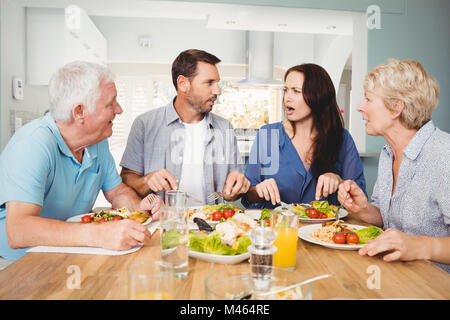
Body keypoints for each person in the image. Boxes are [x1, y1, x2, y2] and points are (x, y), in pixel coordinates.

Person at [0, 61, 162, 262]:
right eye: (111, 103)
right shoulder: (33, 144)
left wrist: (139, 209)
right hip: (18, 263)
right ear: (79, 112)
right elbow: (18, 231)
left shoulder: (97, 142)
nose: (119, 110)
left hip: (68, 253)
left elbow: (117, 192)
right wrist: (98, 234)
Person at [338, 59, 450, 272]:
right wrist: (364, 210)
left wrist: (420, 246)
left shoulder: (444, 154)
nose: (360, 107)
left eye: (368, 99)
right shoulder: (388, 152)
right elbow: (388, 219)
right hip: (397, 277)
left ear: (396, 107)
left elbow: (411, 241)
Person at [120, 49, 250, 205]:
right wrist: (147, 181)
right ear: (183, 84)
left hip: (212, 225)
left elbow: (232, 193)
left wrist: (236, 190)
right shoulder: (145, 124)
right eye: (209, 83)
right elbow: (126, 179)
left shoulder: (224, 127)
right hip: (161, 223)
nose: (218, 91)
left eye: (217, 83)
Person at [242, 63, 366, 209]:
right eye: (286, 90)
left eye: (296, 91)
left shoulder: (342, 139)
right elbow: (248, 196)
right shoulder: (267, 135)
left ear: (317, 96)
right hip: (277, 229)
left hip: (325, 231)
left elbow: (360, 200)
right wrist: (258, 190)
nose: (287, 98)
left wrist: (339, 182)